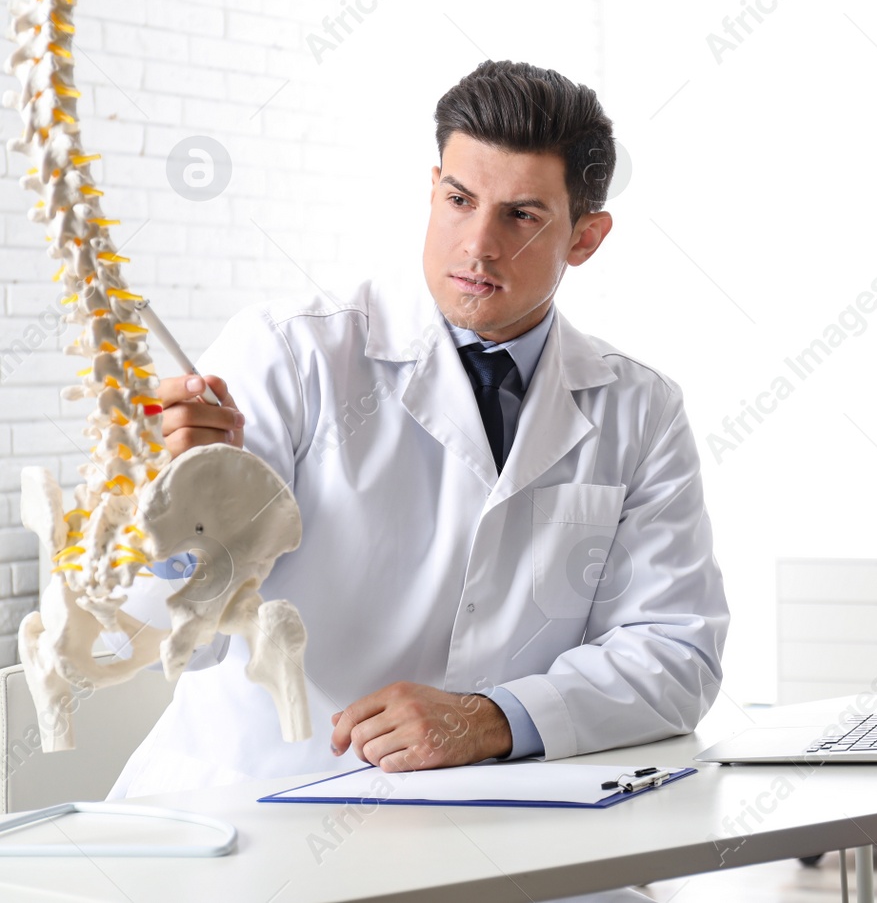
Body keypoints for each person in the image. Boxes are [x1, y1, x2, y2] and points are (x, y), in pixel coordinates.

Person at [110, 60, 728, 903]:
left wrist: (493, 717)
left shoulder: (639, 409)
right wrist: (182, 506)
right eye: (460, 200)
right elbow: (182, 637)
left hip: (510, 830)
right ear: (431, 186)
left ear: (585, 237)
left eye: (522, 214)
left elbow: (676, 653)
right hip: (261, 819)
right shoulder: (291, 357)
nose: (478, 244)